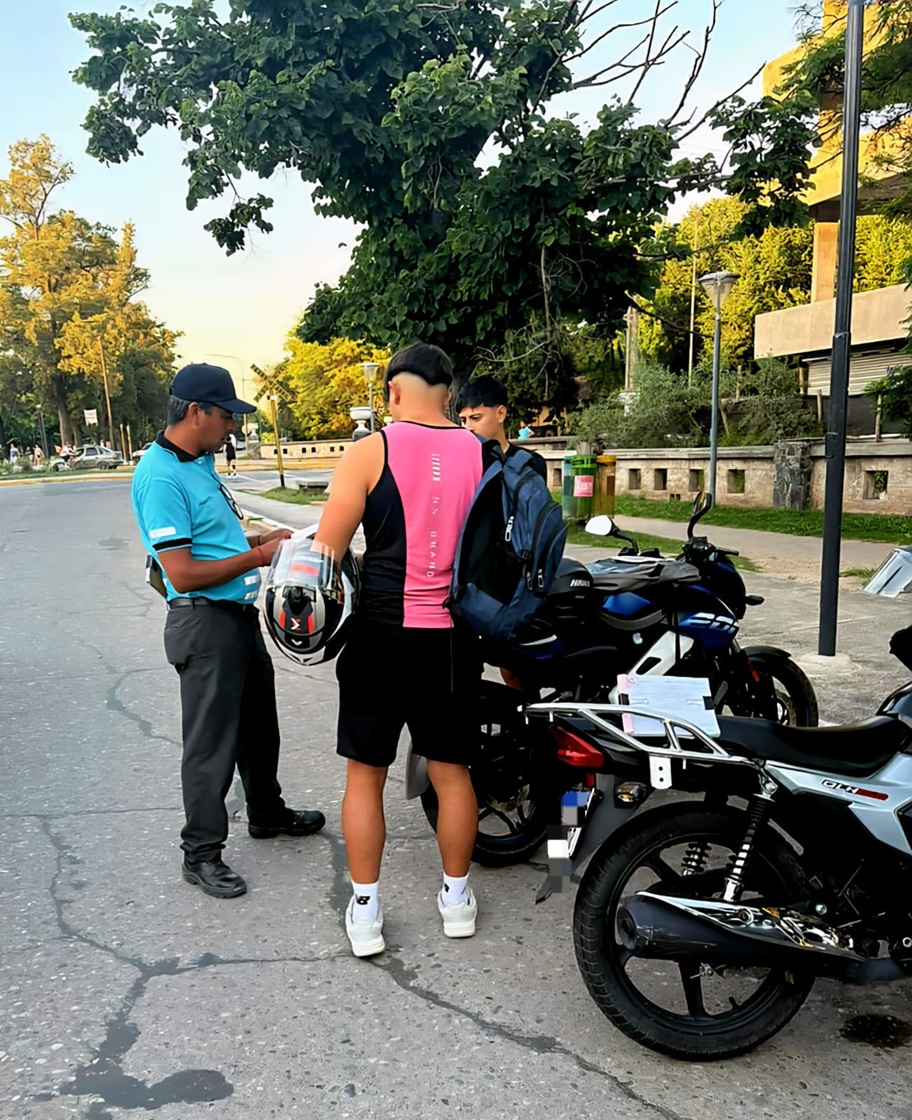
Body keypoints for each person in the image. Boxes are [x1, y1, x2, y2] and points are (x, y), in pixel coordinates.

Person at [314, 343, 485, 957]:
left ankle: (365, 912)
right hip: (451, 637)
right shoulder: (477, 452)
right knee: (451, 770)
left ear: (391, 392)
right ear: (450, 395)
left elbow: (328, 549)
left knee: (366, 776)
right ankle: (457, 897)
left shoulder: (369, 450)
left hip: (382, 634)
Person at [131, 363, 325, 899]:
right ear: (196, 413)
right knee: (211, 744)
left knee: (260, 728)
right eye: (225, 417)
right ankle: (201, 852)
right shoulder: (161, 475)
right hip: (203, 619)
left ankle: (265, 811)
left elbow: (218, 537)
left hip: (236, 617)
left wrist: (264, 535)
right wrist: (260, 555)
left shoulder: (197, 464)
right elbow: (183, 570)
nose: (232, 429)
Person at [455, 375, 548, 482]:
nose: (468, 427)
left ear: (501, 413)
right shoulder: (459, 465)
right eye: (463, 420)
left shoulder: (531, 464)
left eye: (475, 418)